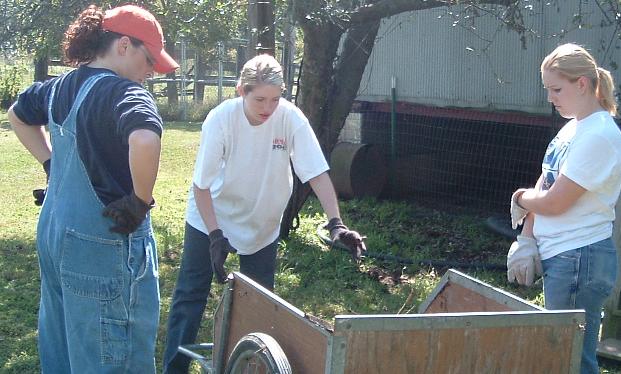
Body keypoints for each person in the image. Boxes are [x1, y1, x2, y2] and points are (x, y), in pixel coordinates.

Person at [162, 54, 366, 373]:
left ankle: (249, 368)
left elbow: (317, 173)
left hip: (262, 226)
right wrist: (215, 235)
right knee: (190, 299)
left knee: (259, 308)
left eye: (275, 98)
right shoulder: (220, 120)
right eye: (259, 99)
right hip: (210, 219)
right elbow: (201, 186)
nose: (268, 107)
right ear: (241, 91)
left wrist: (336, 224)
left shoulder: (290, 118)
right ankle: (174, 369)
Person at [8, 5, 178, 373]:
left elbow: (17, 116)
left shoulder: (58, 87)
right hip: (102, 246)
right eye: (148, 60)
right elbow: (146, 139)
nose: (150, 72)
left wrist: (51, 163)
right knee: (114, 356)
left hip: (56, 235)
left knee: (65, 348)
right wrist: (139, 201)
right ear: (122, 45)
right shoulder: (123, 93)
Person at [508, 43, 620, 374]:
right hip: (566, 258)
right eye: (548, 89)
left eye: (556, 89)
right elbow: (545, 183)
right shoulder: (572, 128)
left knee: (569, 360)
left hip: (580, 258)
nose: (550, 97)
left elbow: (555, 201)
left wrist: (519, 198)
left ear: (582, 84)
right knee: (561, 355)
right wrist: (527, 239)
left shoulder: (599, 134)